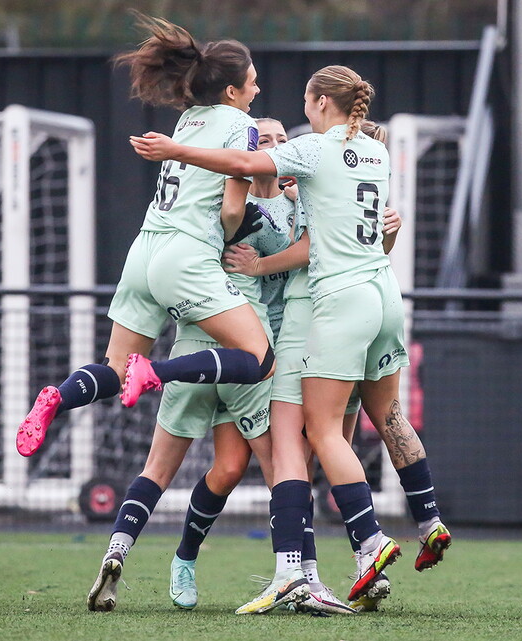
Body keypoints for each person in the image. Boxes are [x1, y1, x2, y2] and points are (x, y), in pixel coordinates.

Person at [129, 65, 451, 607]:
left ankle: (330, 559)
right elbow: (351, 224)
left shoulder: (312, 154)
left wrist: (175, 152)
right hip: (380, 297)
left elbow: (242, 168)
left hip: (322, 312)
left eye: (293, 119)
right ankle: (415, 528)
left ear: (321, 102)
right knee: (367, 425)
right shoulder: (375, 152)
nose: (280, 141)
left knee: (302, 444)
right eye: (270, 138)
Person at [16, 17, 275, 464]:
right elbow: (232, 210)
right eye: (252, 82)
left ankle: (58, 397)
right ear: (232, 91)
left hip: (144, 250)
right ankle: (155, 372)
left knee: (115, 368)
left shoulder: (189, 120)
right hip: (186, 252)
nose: (257, 89)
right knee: (260, 359)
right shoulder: (242, 125)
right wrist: (237, 234)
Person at [86, 117, 296, 614]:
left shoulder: (290, 203)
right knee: (281, 468)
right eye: (264, 139)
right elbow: (296, 248)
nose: (273, 146)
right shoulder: (240, 204)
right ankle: (295, 574)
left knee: (227, 469)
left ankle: (170, 557)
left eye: (282, 140)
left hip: (208, 345)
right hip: (245, 348)